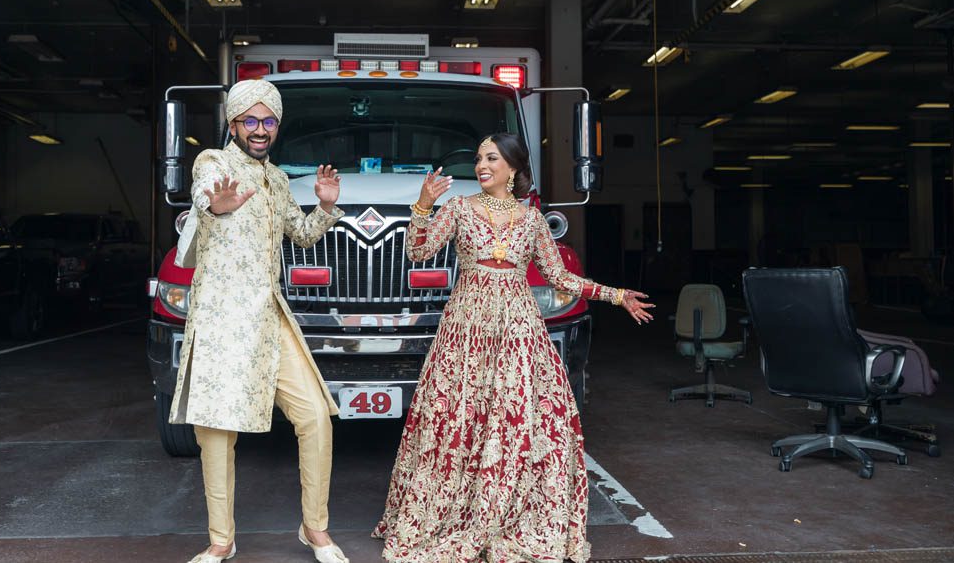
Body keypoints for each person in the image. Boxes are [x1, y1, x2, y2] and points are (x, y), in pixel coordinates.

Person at [372, 133, 654, 563]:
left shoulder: (532, 220)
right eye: (479, 159)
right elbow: (418, 250)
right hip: (466, 330)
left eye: (491, 158)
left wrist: (616, 296)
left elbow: (560, 278)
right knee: (460, 416)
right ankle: (455, 512)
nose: (482, 166)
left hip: (519, 332)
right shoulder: (459, 208)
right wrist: (424, 204)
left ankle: (508, 514)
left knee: (519, 418)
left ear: (513, 168)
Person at [170, 78, 350, 563]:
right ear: (233, 124)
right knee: (215, 430)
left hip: (269, 315)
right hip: (223, 316)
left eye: (268, 120)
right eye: (250, 120)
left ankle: (314, 528)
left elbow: (304, 235)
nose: (260, 129)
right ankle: (220, 541)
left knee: (315, 415)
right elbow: (204, 194)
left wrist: (327, 206)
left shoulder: (277, 180)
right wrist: (214, 205)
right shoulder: (214, 161)